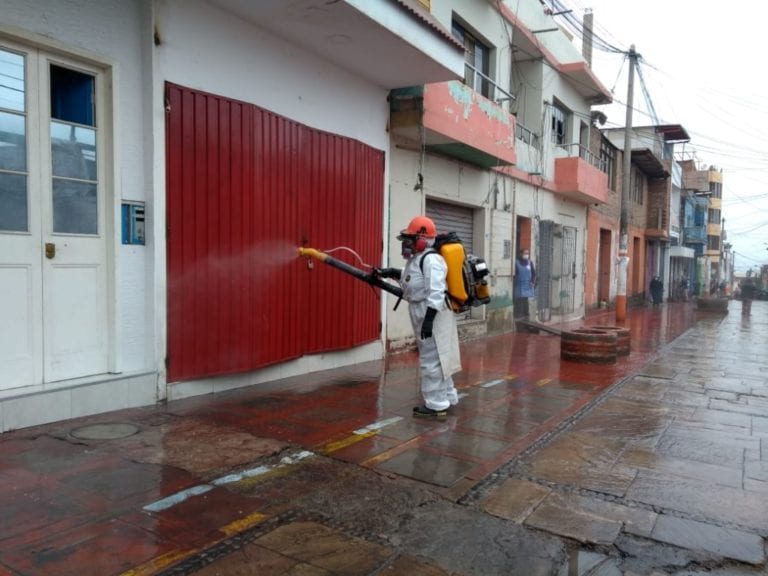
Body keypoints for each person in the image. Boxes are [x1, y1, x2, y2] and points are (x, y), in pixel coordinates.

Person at [376, 216, 461, 417]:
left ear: (422, 239)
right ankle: (447, 396)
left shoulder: (432, 260)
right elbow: (412, 278)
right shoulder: (417, 258)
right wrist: (391, 272)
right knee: (440, 358)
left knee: (431, 360)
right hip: (422, 310)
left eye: (410, 239)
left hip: (432, 312)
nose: (406, 244)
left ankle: (436, 405)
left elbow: (436, 291)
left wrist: (429, 321)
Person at [513, 248, 536, 319]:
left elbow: (534, 273)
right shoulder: (516, 262)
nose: (527, 255)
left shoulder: (530, 262)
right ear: (521, 254)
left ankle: (526, 315)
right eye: (525, 253)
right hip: (519, 285)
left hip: (528, 285)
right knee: (519, 300)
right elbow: (514, 274)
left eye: (527, 253)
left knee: (525, 300)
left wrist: (532, 282)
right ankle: (518, 316)